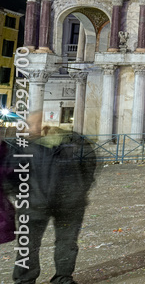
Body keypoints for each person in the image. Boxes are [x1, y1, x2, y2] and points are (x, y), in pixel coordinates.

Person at [4, 115, 97, 284]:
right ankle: (61, 279)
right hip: (64, 203)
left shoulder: (24, 146)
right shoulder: (76, 142)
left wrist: (19, 193)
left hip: (41, 203)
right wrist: (80, 189)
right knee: (62, 243)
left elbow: (10, 173)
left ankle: (27, 279)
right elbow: (90, 166)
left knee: (31, 244)